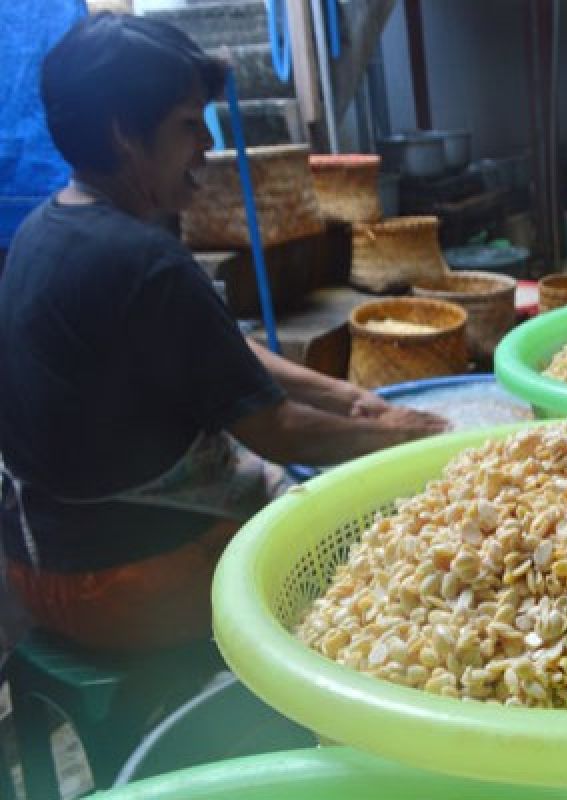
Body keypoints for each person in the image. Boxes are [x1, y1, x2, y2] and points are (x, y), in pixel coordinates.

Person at [0, 14, 447, 652]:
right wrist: (398, 440)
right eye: (188, 124)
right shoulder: (145, 263)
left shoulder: (48, 231)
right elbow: (272, 429)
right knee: (368, 550)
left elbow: (224, 352)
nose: (206, 144)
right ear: (125, 134)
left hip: (34, 560)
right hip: (122, 580)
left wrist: (345, 398)